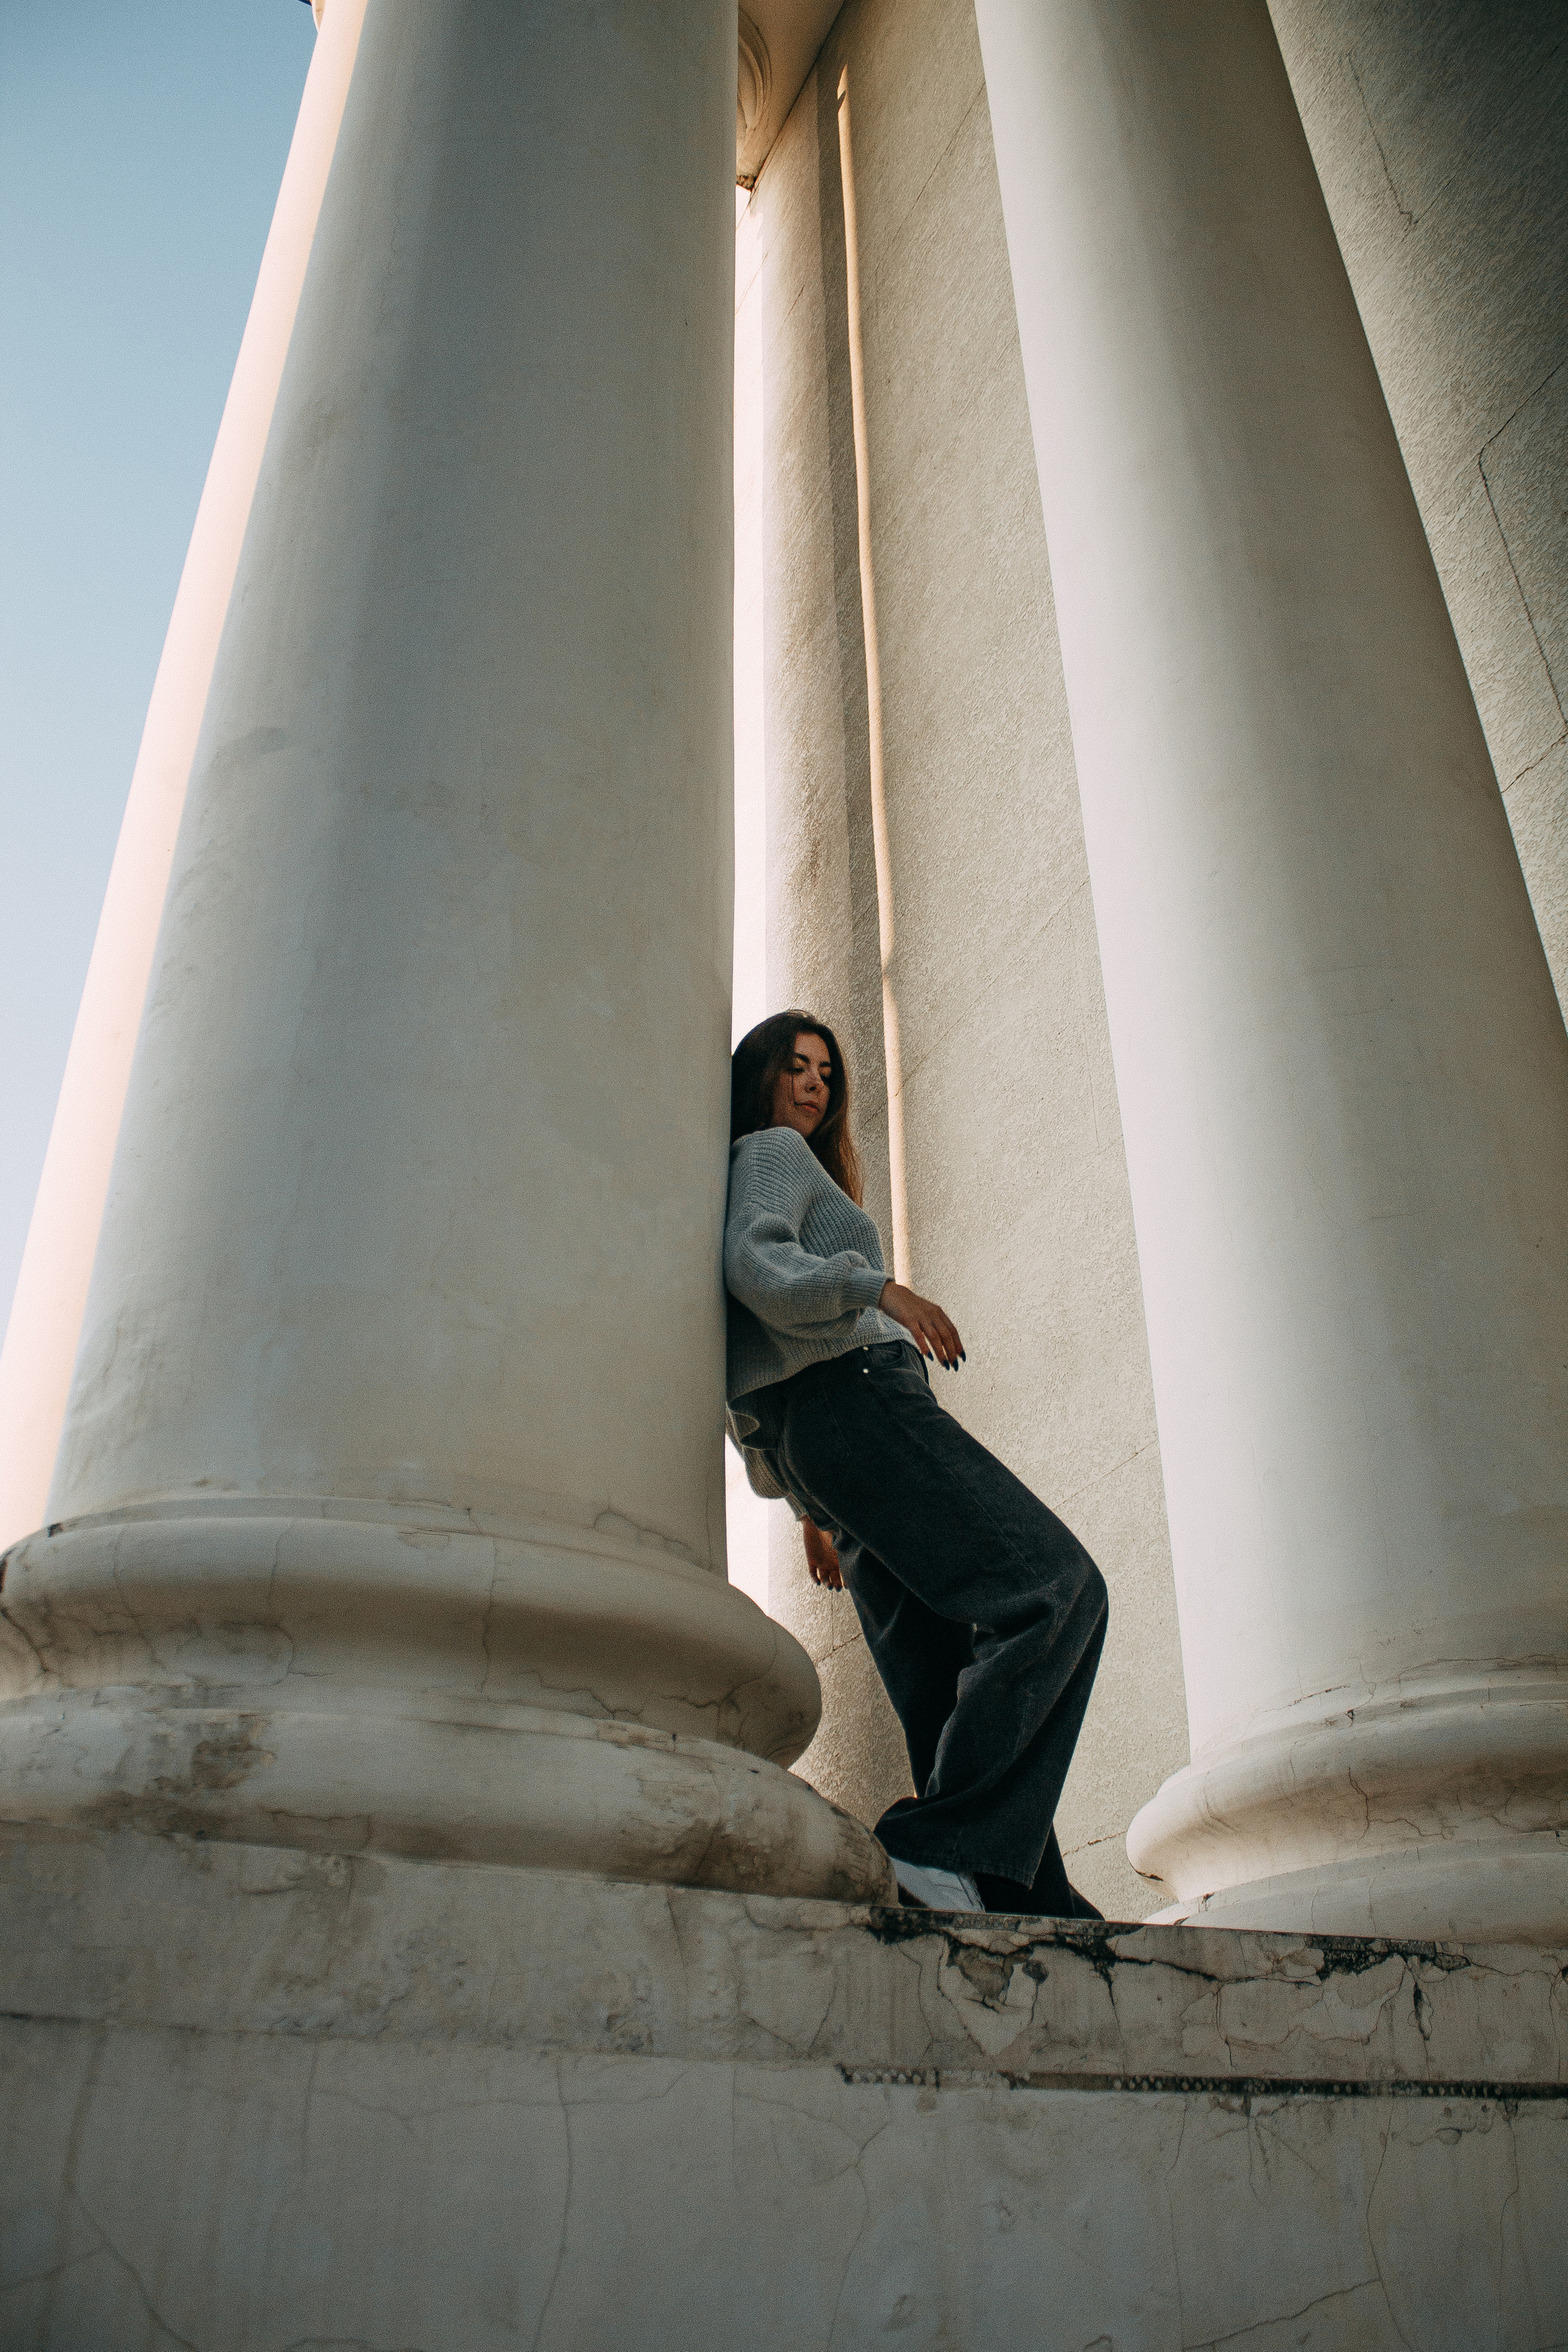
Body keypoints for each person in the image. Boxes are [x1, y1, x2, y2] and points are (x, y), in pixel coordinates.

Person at [723, 1008, 1109, 1919]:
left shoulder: (768, 1167)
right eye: (795, 1067)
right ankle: (939, 1849)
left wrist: (807, 1508)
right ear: (763, 1079)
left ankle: (1018, 1888)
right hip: (859, 1398)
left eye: (826, 1071)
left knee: (940, 1681)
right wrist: (878, 1286)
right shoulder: (772, 1157)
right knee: (1054, 1591)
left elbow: (743, 1376)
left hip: (830, 1443)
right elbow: (756, 1271)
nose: (814, 1084)